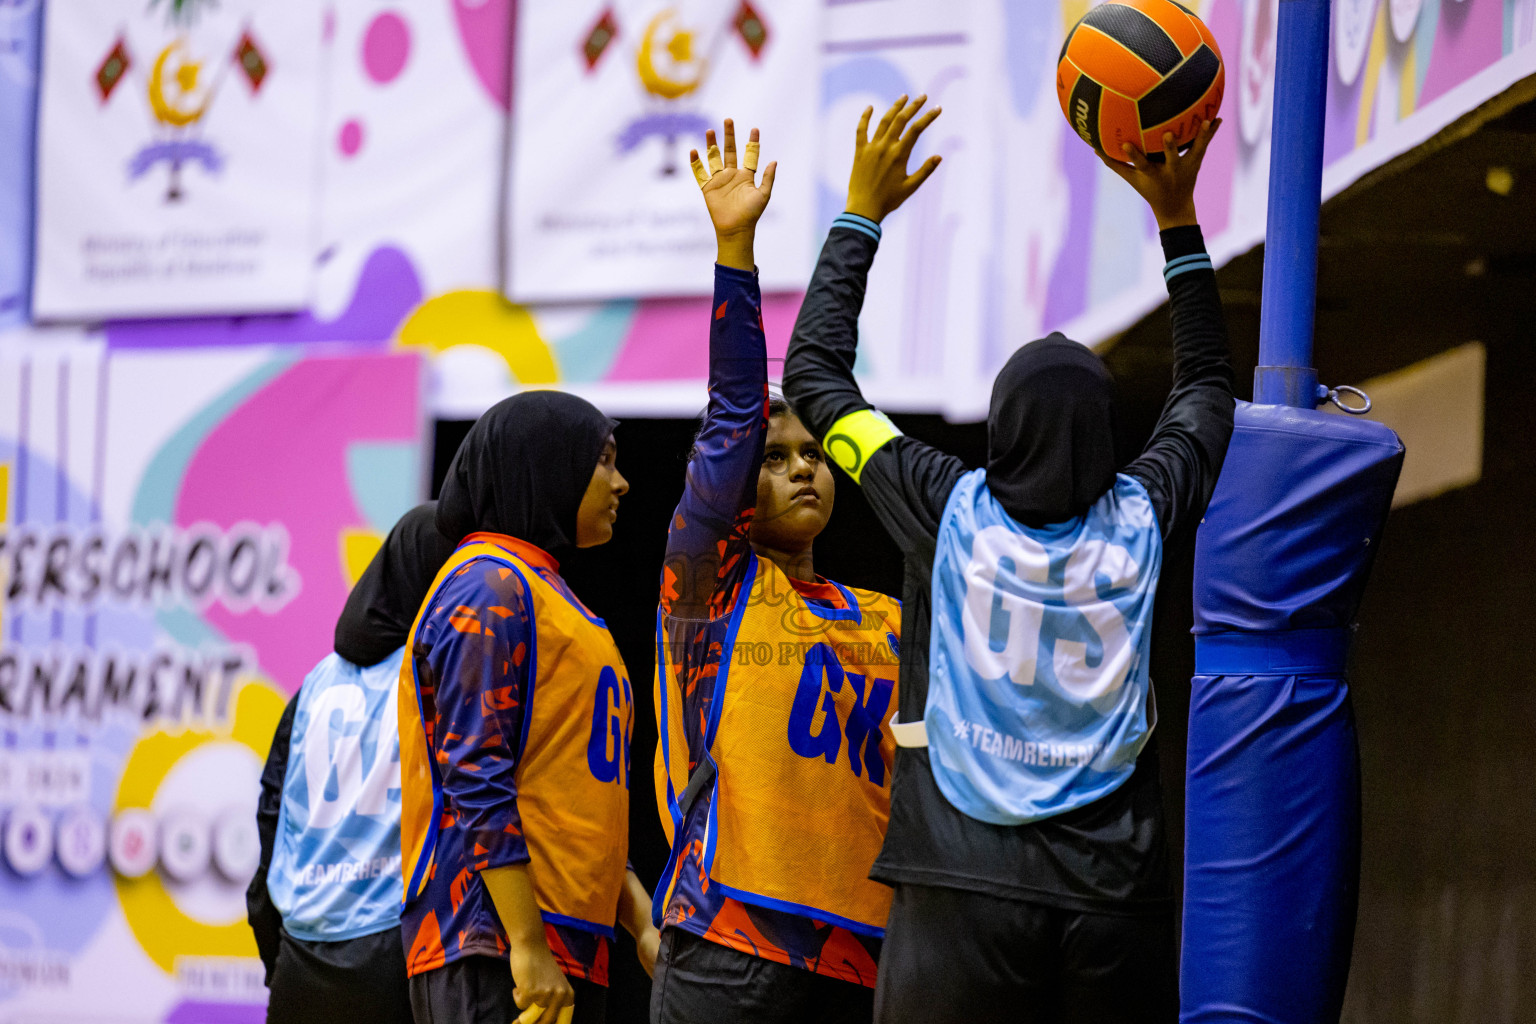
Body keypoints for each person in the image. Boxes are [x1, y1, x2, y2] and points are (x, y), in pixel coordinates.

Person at [784, 97, 1235, 1023]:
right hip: (1112, 898)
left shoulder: (942, 504)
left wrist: (861, 212)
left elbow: (816, 377)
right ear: (1108, 436)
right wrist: (1178, 220)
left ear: (1000, 426)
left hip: (959, 887)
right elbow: (1207, 393)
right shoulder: (1145, 511)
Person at [648, 120, 903, 1024]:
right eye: (775, 455)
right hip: (729, 946)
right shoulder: (710, 586)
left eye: (814, 455)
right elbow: (729, 418)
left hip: (862, 964)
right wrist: (735, 250)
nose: (802, 467)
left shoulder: (886, 617)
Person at [397, 394, 660, 1024]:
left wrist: (643, 922)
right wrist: (525, 942)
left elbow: (576, 793)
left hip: (565, 937)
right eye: (602, 461)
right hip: (492, 940)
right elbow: (474, 775)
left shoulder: (550, 593)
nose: (621, 482)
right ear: (545, 465)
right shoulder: (488, 585)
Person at [247, 502, 455, 1024]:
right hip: (398, 951)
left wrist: (276, 944)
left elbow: (273, 815)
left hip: (302, 952)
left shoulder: (315, 684)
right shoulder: (436, 677)